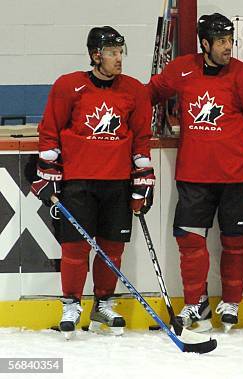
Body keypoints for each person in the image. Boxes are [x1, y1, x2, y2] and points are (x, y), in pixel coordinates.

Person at [148, 13, 243, 332]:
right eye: (221, 42)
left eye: (230, 41)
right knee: (189, 241)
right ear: (204, 43)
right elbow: (147, 94)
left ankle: (231, 302)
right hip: (194, 175)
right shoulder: (181, 70)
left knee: (236, 241)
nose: (228, 47)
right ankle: (196, 303)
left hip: (236, 174)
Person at [31, 26, 154, 339]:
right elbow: (50, 131)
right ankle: (71, 304)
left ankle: (102, 304)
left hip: (117, 183)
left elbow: (141, 139)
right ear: (96, 55)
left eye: (120, 52)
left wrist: (142, 179)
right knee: (74, 248)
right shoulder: (69, 86)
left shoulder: (134, 90)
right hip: (79, 182)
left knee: (112, 249)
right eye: (112, 53)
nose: (118, 59)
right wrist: (48, 173)